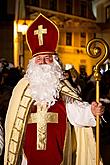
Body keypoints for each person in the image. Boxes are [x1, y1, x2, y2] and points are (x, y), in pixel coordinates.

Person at [4, 13, 104, 165]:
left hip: (59, 156)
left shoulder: (62, 87)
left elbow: (76, 111)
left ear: (55, 62)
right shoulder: (22, 88)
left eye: (48, 58)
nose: (43, 63)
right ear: (33, 63)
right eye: (39, 59)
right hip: (28, 159)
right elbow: (14, 124)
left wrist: (91, 111)